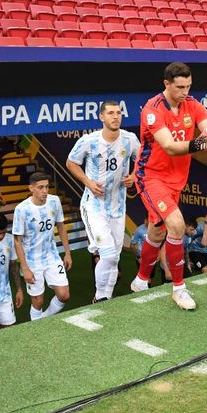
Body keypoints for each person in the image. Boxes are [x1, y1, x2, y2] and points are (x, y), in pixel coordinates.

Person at [129, 62, 207, 311]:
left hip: (176, 181)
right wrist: (204, 144)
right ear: (166, 84)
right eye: (179, 87)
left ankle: (140, 280)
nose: (184, 91)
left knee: (157, 231)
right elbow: (170, 146)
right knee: (176, 225)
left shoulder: (193, 104)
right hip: (150, 177)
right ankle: (179, 289)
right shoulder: (152, 110)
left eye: (188, 86)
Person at [67, 100, 140, 303]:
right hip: (94, 207)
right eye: (110, 113)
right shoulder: (88, 141)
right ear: (101, 117)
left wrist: (134, 174)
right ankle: (99, 296)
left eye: (118, 113)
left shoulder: (129, 139)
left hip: (118, 208)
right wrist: (88, 182)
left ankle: (106, 297)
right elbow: (71, 162)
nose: (115, 116)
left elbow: (144, 158)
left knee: (115, 257)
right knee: (107, 255)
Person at [13, 172, 72, 319]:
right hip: (32, 261)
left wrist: (67, 252)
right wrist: (25, 268)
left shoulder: (54, 201)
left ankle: (44, 318)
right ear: (31, 188)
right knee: (38, 302)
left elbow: (61, 226)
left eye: (47, 187)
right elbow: (17, 241)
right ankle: (38, 328)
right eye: (40, 187)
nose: (45, 191)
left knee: (64, 295)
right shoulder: (22, 209)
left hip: (52, 256)